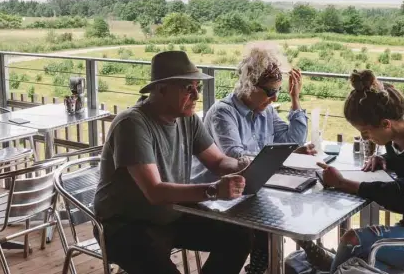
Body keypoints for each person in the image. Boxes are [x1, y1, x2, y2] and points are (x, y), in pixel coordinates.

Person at [94, 51, 253, 274]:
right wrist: (213, 190)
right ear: (161, 89)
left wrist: (243, 165)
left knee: (240, 235)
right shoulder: (132, 124)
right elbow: (155, 192)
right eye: (189, 88)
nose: (196, 95)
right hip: (125, 225)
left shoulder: (188, 119)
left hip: (171, 215)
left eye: (198, 87)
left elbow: (217, 161)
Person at [192, 45, 325, 274]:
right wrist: (284, 157)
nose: (274, 99)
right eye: (270, 92)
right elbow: (236, 158)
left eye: (278, 92)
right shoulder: (223, 112)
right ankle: (277, 259)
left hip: (248, 190)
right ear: (249, 84)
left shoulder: (266, 111)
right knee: (270, 215)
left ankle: (259, 267)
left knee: (273, 207)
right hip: (215, 194)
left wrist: (295, 99)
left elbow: (292, 140)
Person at [317, 70, 404, 274]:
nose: (365, 138)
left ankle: (329, 266)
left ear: (386, 124)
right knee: (362, 264)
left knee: (352, 241)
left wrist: (343, 183)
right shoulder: (395, 140)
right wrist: (384, 159)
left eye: (365, 132)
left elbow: (400, 195)